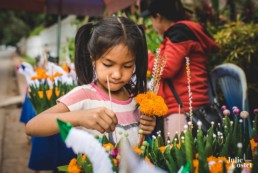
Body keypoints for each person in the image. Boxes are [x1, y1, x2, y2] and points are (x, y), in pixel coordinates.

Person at [26, 16, 156, 146]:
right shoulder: (84, 95)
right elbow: (32, 126)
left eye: (127, 66)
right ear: (93, 58)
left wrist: (147, 126)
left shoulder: (137, 98)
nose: (117, 75)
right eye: (108, 64)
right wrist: (80, 117)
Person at [140, 0, 219, 139]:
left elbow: (166, 68)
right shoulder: (179, 33)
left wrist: (143, 56)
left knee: (179, 157)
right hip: (184, 106)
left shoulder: (179, 33)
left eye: (151, 19)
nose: (152, 25)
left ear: (158, 17)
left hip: (184, 108)